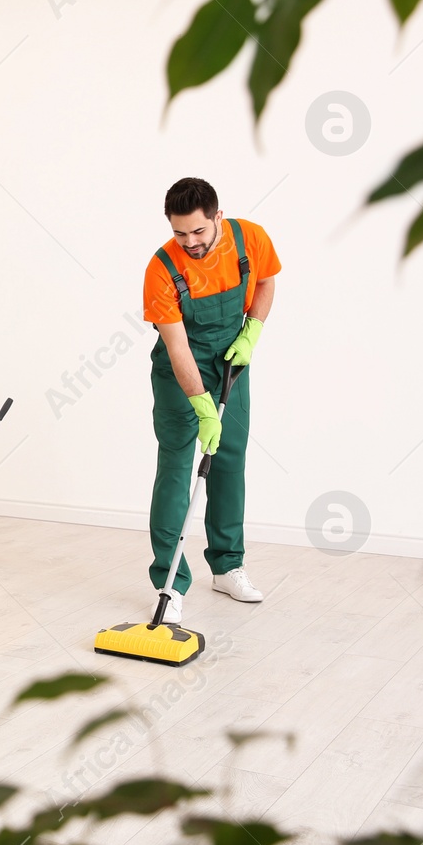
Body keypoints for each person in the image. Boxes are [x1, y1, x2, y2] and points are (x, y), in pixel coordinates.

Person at [141, 178, 279, 623]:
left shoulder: (250, 238)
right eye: (180, 233)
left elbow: (266, 282)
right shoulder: (162, 269)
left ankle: (227, 565)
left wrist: (252, 332)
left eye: (198, 232)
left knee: (229, 460)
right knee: (178, 467)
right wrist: (202, 406)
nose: (190, 242)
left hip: (231, 361)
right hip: (180, 372)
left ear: (218, 217)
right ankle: (169, 581)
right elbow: (177, 348)